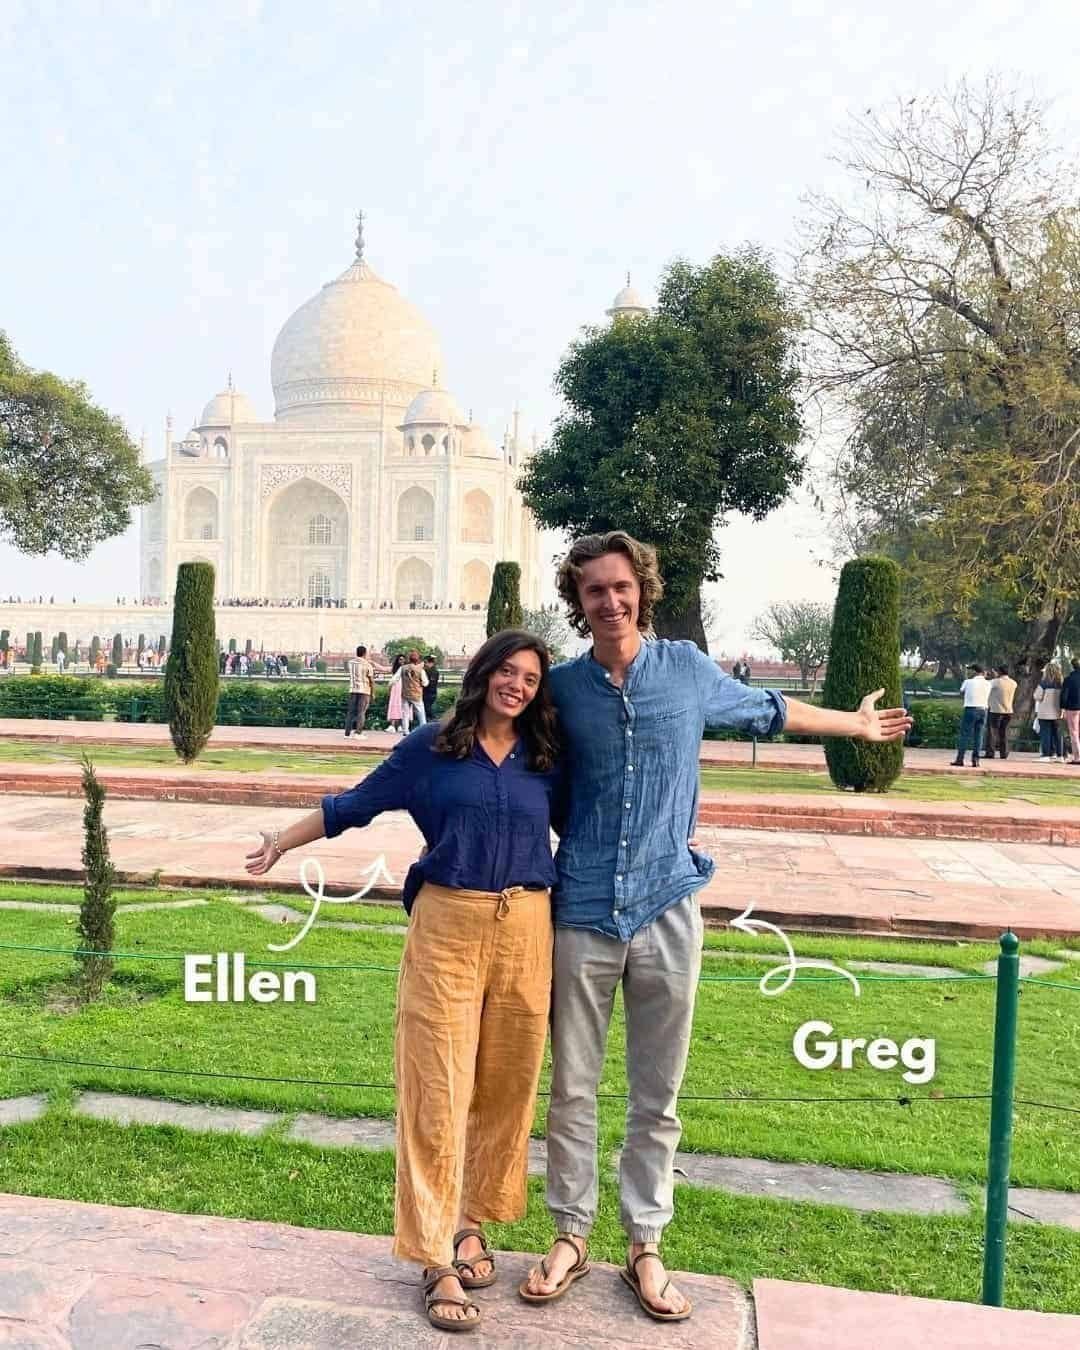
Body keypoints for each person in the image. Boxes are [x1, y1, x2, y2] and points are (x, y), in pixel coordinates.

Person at [521, 530, 910, 1322]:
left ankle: (645, 1243)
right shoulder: (561, 689)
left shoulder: (686, 671)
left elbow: (768, 711)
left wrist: (854, 726)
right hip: (584, 908)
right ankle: (569, 1233)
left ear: (643, 590)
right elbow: (516, 761)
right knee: (572, 1089)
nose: (611, 601)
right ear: (578, 600)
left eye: (622, 586)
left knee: (657, 1095)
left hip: (667, 905)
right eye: (595, 590)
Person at [244, 630, 564, 1334]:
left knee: (506, 1085)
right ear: (481, 676)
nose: (516, 685)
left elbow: (585, 828)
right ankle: (434, 1256)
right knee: (437, 1086)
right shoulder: (433, 749)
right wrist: (282, 840)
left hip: (528, 930)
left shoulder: (546, 756)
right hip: (449, 927)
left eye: (530, 678)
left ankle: (470, 1221)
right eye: (506, 672)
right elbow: (351, 806)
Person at [950, 663, 990, 768]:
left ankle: (960, 759)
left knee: (964, 735)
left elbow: (961, 692)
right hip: (983, 710)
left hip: (970, 709)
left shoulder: (968, 682)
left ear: (974, 672)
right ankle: (976, 760)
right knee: (979, 736)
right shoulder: (988, 683)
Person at [1034, 661, 1065, 762]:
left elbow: (1037, 696)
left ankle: (1046, 755)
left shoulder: (1043, 683)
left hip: (1045, 713)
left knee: (1045, 734)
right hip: (1058, 712)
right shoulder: (1061, 684)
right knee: (1057, 734)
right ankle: (1060, 755)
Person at [985, 665, 1017, 760]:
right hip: (1008, 710)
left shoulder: (995, 682)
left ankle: (990, 752)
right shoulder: (1013, 683)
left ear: (999, 672)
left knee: (992, 731)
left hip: (996, 710)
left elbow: (986, 685)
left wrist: (993, 676)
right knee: (1004, 732)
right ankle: (1004, 753)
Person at [344, 644, 375, 740]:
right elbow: (371, 680)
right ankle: (358, 733)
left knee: (351, 712)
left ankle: (347, 733)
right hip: (364, 690)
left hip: (353, 689)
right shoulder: (367, 665)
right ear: (365, 653)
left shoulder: (350, 663)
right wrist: (373, 692)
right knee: (361, 712)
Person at [392, 649, 428, 731]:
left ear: (409, 659)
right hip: (416, 694)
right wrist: (421, 684)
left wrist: (390, 686)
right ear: (418, 660)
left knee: (405, 713)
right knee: (421, 714)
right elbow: (425, 683)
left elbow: (394, 679)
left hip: (405, 694)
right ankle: (423, 730)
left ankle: (405, 730)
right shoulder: (420, 670)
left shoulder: (402, 668)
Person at [1060, 657, 1080, 764]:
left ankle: (1077, 757)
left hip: (1072, 708)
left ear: (1072, 666)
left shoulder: (1069, 679)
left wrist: (1062, 708)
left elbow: (1064, 695)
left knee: (1074, 733)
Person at [386, 653, 406, 732]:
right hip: (395, 689)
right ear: (397, 660)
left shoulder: (406, 668)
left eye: (403, 659)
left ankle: (400, 725)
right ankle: (392, 725)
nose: (402, 661)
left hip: (403, 689)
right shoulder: (394, 669)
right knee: (394, 706)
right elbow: (383, 668)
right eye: (400, 659)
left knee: (402, 707)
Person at [423, 653, 441, 722]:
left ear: (429, 662)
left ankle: (435, 721)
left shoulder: (430, 671)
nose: (425, 664)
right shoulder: (435, 671)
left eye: (426, 662)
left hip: (428, 693)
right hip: (432, 692)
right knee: (428, 709)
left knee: (428, 709)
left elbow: (429, 683)